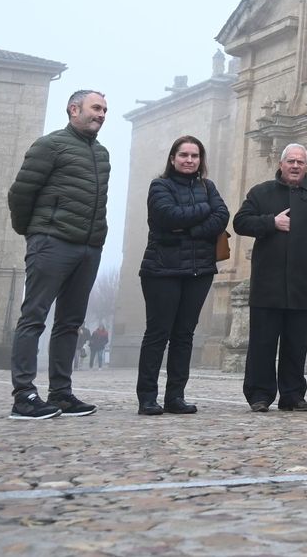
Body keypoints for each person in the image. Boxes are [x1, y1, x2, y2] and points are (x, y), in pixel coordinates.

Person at [5, 89, 111, 421]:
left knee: (70, 323)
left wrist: (95, 241)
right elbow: (21, 192)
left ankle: (61, 394)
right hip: (52, 242)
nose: (101, 115)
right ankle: (24, 396)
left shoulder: (102, 154)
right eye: (96, 108)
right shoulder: (49, 145)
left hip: (89, 248)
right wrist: (34, 232)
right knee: (34, 317)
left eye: (104, 110)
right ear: (73, 109)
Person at [234, 143, 307, 412]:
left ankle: (292, 394)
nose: (295, 166)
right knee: (262, 343)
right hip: (266, 284)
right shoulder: (261, 192)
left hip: (301, 284)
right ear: (281, 164)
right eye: (290, 161)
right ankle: (260, 394)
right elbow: (240, 222)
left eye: (300, 162)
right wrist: (271, 222)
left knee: (296, 344)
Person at [136, 135, 229, 415]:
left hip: (199, 270)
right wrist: (204, 212)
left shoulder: (208, 187)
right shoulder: (159, 186)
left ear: (201, 160)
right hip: (162, 270)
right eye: (184, 155)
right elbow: (168, 217)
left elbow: (222, 216)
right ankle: (147, 397)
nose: (189, 160)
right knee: (158, 334)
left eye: (195, 156)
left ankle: (175, 396)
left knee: (184, 335)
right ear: (173, 158)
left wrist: (191, 229)